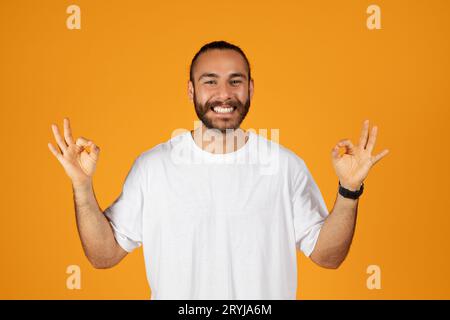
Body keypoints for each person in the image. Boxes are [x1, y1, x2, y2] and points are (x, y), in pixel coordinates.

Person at [48, 40, 389, 299]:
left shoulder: (285, 167)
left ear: (251, 89)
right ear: (191, 90)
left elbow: (327, 257)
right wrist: (81, 186)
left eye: (235, 81)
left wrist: (348, 190)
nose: (224, 93)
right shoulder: (153, 168)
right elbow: (103, 255)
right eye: (210, 81)